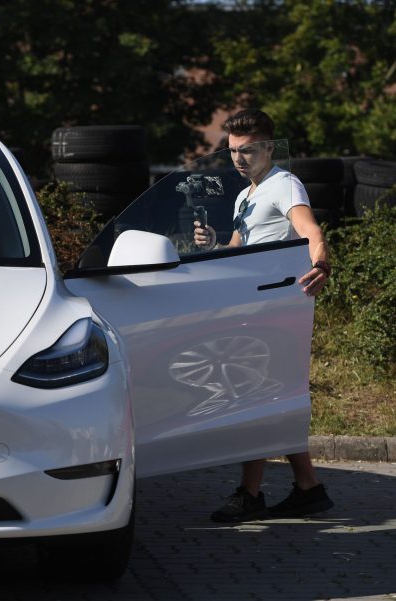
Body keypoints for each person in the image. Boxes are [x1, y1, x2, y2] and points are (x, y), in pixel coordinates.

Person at [194, 108, 334, 522]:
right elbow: (237, 252)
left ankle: (251, 494)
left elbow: (310, 230)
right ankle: (307, 487)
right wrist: (214, 243)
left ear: (269, 147)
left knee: (254, 396)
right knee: (264, 398)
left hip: (276, 310)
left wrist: (321, 263)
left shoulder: (283, 184)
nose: (239, 158)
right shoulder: (245, 196)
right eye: (234, 150)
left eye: (248, 150)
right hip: (252, 309)